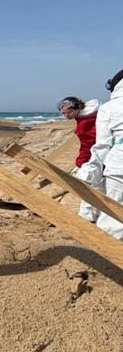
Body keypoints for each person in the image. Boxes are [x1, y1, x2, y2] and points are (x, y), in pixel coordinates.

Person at [77, 68, 123, 236]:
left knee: (114, 216)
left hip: (119, 167)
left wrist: (92, 171)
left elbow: (102, 146)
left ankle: (108, 258)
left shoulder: (109, 108)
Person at [56, 96, 102, 222]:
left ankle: (88, 216)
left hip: (99, 155)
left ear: (77, 108)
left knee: (88, 183)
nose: (66, 116)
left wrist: (80, 163)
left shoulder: (86, 121)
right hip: (104, 154)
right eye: (63, 114)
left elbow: (88, 144)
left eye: (68, 113)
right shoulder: (93, 113)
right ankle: (94, 215)